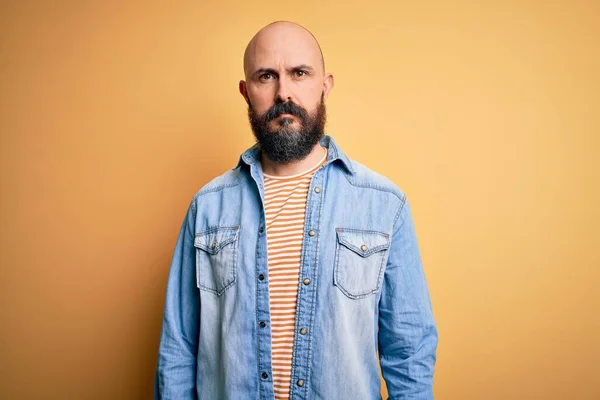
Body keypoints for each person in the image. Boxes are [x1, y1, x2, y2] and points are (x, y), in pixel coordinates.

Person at [154, 21, 437, 400]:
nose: (283, 92)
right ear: (245, 91)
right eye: (265, 76)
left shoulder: (384, 205)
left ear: (325, 85)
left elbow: (410, 354)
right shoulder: (207, 207)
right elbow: (178, 348)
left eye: (299, 73)